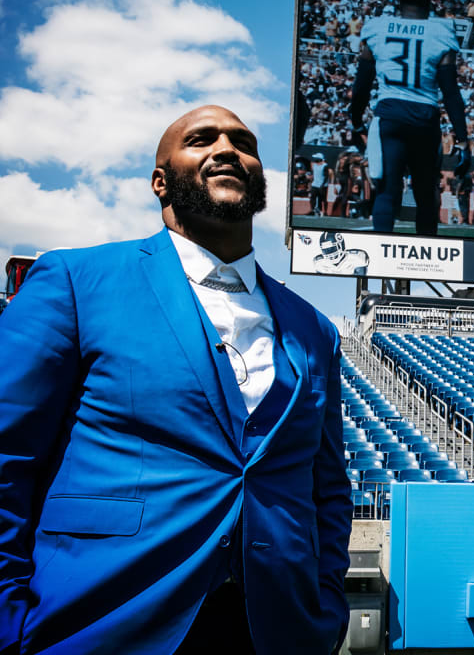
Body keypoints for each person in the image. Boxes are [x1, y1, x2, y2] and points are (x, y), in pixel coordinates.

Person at [0, 106, 351, 654]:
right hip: (101, 620)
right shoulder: (76, 281)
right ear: (160, 180)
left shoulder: (314, 328)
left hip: (279, 628)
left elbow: (327, 487)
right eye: (201, 139)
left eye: (243, 141)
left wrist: (327, 606)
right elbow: (7, 456)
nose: (226, 148)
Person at [351, 0, 471, 234]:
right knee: (426, 192)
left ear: (397, 2)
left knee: (387, 189)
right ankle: (425, 264)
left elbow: (361, 84)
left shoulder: (377, 27)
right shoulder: (441, 31)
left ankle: (382, 257)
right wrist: (462, 138)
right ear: (431, 4)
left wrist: (356, 121)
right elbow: (450, 91)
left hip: (390, 113)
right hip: (425, 118)